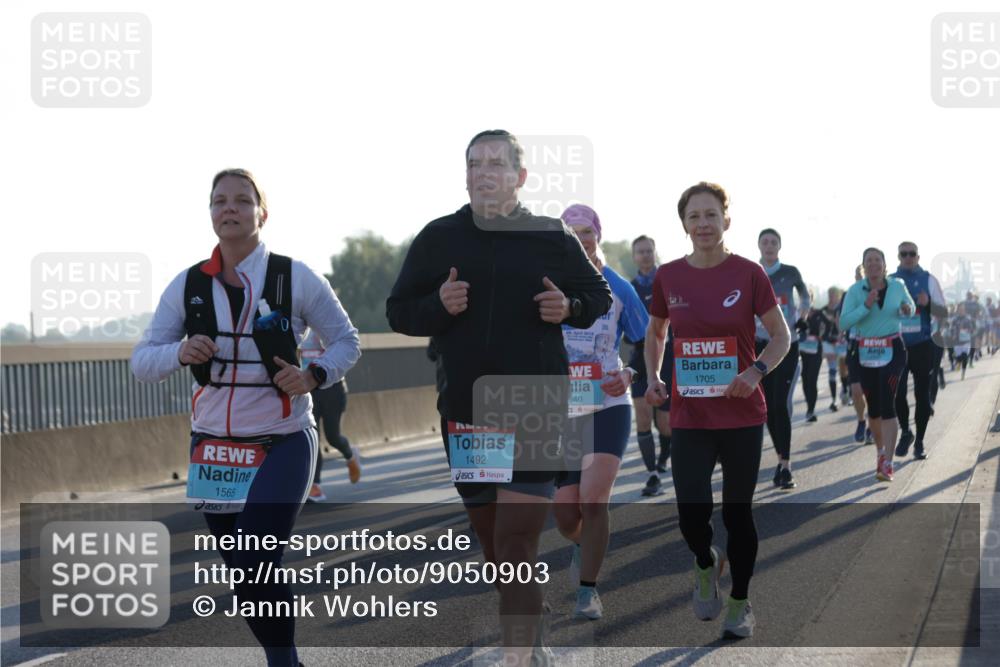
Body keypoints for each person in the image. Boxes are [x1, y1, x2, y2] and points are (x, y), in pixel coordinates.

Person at [386, 130, 612, 665]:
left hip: (533, 402)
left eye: (496, 163)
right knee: (495, 551)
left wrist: (569, 307)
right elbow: (399, 311)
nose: (484, 171)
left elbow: (596, 295)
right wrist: (438, 305)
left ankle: (523, 653)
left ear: (520, 177)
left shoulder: (550, 236)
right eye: (474, 163)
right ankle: (528, 622)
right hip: (466, 413)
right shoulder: (438, 238)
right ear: (465, 175)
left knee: (515, 544)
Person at [132, 168, 361, 666]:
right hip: (215, 447)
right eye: (219, 201)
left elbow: (348, 341)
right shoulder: (188, 283)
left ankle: (283, 662)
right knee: (243, 571)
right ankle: (286, 658)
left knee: (257, 555)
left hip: (282, 439)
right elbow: (142, 361)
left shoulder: (294, 277)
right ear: (211, 213)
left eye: (240, 200)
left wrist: (314, 375)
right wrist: (181, 352)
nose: (229, 209)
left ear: (262, 212)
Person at [645, 182, 790, 639]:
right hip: (690, 415)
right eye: (694, 216)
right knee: (690, 512)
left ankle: (740, 602)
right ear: (684, 224)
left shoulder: (749, 274)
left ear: (726, 220)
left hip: (742, 413)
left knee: (737, 513)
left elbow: (781, 337)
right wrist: (653, 376)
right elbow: (656, 333)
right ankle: (705, 563)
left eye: (711, 215)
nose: (703, 224)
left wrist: (756, 371)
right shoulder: (668, 276)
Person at [553, 205, 648, 620]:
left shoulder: (619, 287)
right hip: (562, 410)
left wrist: (630, 373)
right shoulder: (547, 287)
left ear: (597, 235)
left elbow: (648, 340)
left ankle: (588, 592)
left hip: (608, 401)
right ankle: (582, 544)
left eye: (585, 231)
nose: (579, 238)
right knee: (565, 515)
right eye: (570, 232)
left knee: (594, 501)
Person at [839, 247, 915, 482]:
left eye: (877, 260)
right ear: (863, 266)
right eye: (868, 261)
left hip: (892, 349)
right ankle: (881, 453)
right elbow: (843, 322)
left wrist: (906, 309)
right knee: (873, 408)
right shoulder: (855, 290)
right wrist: (865, 305)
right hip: (865, 351)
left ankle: (889, 462)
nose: (873, 264)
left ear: (884, 264)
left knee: (888, 401)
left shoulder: (897, 286)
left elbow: (911, 308)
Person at [755, 229, 809, 489]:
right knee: (768, 408)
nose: (769, 246)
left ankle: (786, 466)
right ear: (759, 246)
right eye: (764, 242)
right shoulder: (751, 272)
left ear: (779, 246)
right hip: (758, 344)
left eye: (773, 242)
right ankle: (779, 459)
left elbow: (805, 296)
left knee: (780, 404)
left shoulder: (791, 271)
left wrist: (803, 316)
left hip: (787, 343)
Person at [890, 242, 948, 460]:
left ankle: (920, 442)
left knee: (922, 395)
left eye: (911, 254)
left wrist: (928, 302)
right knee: (897, 392)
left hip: (923, 345)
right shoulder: (891, 281)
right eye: (903, 254)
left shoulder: (929, 280)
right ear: (898, 256)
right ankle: (906, 431)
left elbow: (944, 312)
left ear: (918, 256)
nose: (907, 257)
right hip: (898, 344)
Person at [627, 235, 673, 497]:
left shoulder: (666, 282)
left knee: (665, 424)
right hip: (638, 360)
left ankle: (664, 457)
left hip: (665, 358)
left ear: (655, 253)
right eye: (640, 252)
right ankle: (652, 474)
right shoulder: (628, 287)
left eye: (648, 251)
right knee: (643, 417)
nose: (645, 255)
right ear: (634, 256)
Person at [300, 329, 362, 502]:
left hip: (332, 387)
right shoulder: (296, 324)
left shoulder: (324, 321)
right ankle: (315, 484)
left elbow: (346, 346)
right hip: (308, 388)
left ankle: (350, 455)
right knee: (313, 436)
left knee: (333, 436)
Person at [799, 292, 838, 421]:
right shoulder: (797, 314)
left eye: (808, 298)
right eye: (803, 298)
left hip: (816, 350)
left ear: (811, 299)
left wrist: (823, 337)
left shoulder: (818, 313)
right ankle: (809, 405)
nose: (805, 301)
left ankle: (811, 410)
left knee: (812, 379)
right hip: (803, 351)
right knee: (805, 380)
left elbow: (829, 326)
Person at [951, 304, 974, 380]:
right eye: (960, 310)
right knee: (959, 357)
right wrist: (953, 335)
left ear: (965, 311)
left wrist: (966, 330)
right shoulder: (955, 319)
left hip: (966, 340)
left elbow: (971, 328)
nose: (961, 311)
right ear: (957, 311)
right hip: (957, 341)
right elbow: (951, 329)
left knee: (965, 356)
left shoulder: (968, 319)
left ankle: (963, 372)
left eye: (963, 310)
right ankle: (958, 361)